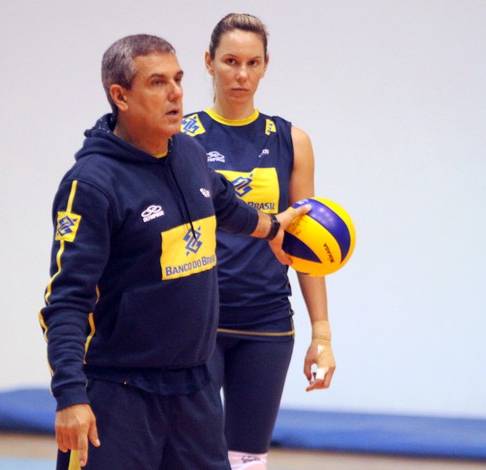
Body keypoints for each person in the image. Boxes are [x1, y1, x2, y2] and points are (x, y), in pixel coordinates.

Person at [38, 34, 308, 470]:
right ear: (120, 96)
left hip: (195, 392)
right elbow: (66, 302)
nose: (176, 93)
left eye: (179, 79)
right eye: (158, 82)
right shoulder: (91, 184)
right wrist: (70, 396)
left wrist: (272, 227)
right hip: (120, 393)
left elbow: (225, 206)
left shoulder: (189, 153)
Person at [181, 13, 337, 470]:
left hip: (266, 323)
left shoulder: (292, 140)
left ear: (266, 65)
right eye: (230, 61)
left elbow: (306, 243)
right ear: (209, 63)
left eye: (252, 62)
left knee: (248, 460)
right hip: (197, 322)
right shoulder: (181, 140)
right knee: (195, 455)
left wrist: (322, 335)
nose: (241, 74)